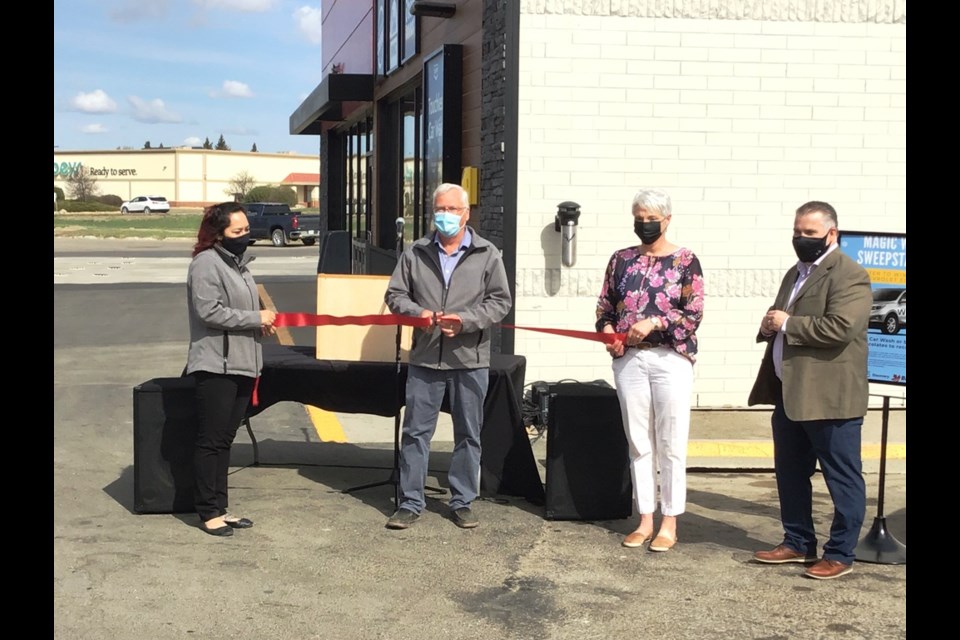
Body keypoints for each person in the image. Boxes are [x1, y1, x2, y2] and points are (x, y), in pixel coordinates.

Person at [748, 201, 872, 580]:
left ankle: (840, 553)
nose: (801, 239)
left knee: (842, 477)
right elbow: (783, 316)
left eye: (810, 234)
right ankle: (798, 542)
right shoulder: (796, 272)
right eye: (797, 232)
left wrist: (788, 324)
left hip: (830, 397)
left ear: (831, 234)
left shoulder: (850, 275)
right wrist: (770, 324)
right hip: (791, 394)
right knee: (789, 473)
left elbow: (841, 327)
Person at [384, 183, 512, 530]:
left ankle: (462, 501)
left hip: (469, 359)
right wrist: (418, 313)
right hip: (425, 357)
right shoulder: (415, 252)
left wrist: (467, 322)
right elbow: (395, 294)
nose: (445, 216)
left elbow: (501, 302)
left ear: (466, 214)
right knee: (415, 433)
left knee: (468, 433)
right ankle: (410, 501)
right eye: (439, 209)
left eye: (452, 210)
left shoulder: (487, 254)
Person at [595, 188, 704, 552]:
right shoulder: (621, 260)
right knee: (639, 442)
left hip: (670, 358)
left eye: (651, 219)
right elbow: (605, 307)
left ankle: (669, 521)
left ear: (667, 220)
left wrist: (655, 322)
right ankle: (644, 518)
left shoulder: (686, 261)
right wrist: (608, 331)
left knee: (670, 441)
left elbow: (693, 314)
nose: (644, 225)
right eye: (639, 219)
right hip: (629, 359)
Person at [185, 202, 277, 537]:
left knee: (225, 439)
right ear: (218, 234)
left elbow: (238, 310)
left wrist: (258, 323)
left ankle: (221, 507)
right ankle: (208, 510)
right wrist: (255, 319)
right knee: (211, 439)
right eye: (237, 232)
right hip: (216, 366)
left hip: (243, 363)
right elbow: (209, 311)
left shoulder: (239, 265)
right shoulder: (206, 264)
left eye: (246, 230)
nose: (244, 237)